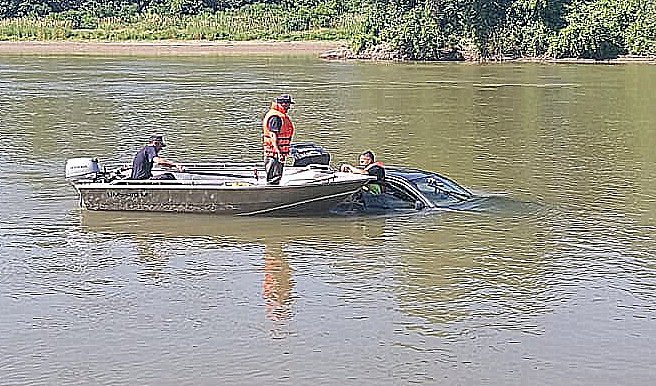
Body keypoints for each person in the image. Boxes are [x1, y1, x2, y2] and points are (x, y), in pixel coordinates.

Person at [262, 94, 295, 184]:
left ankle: (272, 193)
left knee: (276, 176)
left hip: (276, 154)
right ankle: (271, 195)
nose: (289, 107)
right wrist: (278, 152)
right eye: (288, 105)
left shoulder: (278, 115)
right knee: (273, 179)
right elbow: (273, 135)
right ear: (283, 104)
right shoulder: (275, 117)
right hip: (273, 154)